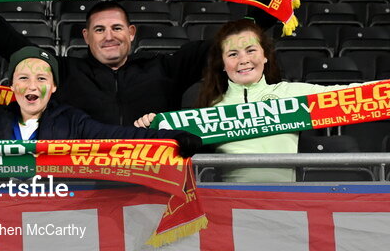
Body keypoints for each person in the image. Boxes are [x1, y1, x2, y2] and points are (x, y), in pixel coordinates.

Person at [0, 0, 302, 127]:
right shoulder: (64, 71)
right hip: (85, 186)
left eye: (117, 28)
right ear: (85, 37)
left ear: (132, 33)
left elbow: (230, 43)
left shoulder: (165, 68)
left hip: (154, 185)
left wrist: (272, 1)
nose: (109, 36)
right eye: (99, 30)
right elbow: (11, 44)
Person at [135, 19, 355, 182]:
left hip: (287, 203)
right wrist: (150, 125)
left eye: (251, 50)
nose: (243, 60)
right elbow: (168, 142)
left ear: (265, 56)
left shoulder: (292, 93)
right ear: (223, 64)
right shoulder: (210, 109)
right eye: (233, 54)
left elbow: (355, 95)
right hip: (232, 206)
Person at [0, 46, 202, 157]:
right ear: (11, 85)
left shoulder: (73, 120)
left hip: (57, 221)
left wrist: (169, 137)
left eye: (41, 78)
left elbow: (118, 136)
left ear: (53, 87)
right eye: (23, 78)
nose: (32, 86)